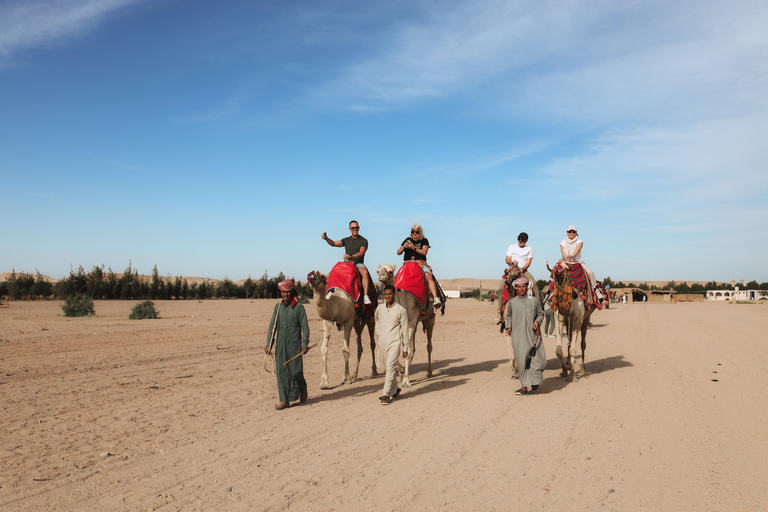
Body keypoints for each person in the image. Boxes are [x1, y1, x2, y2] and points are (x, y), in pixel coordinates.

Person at [264, 279, 310, 410]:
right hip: (280, 345)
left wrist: (305, 344)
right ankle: (284, 400)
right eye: (283, 292)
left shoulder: (299, 308)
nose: (285, 294)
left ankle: (303, 389)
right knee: (282, 372)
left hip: (295, 345)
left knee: (295, 371)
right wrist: (269, 344)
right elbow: (272, 327)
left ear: (292, 292)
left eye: (287, 292)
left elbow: (305, 328)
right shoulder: (277, 308)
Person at [504, 277, 546, 396]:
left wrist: (537, 321)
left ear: (527, 287)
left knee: (538, 360)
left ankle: (535, 381)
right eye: (519, 287)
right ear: (516, 288)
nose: (521, 289)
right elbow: (509, 316)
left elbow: (540, 313)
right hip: (518, 335)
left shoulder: (534, 301)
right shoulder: (512, 302)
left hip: (532, 334)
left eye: (524, 286)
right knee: (522, 360)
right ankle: (524, 386)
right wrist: (509, 326)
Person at [322, 220, 372, 305]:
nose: (355, 229)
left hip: (357, 262)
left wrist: (350, 256)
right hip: (347, 262)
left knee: (364, 272)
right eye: (353, 228)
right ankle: (330, 291)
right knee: (332, 272)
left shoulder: (364, 241)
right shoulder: (347, 240)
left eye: (356, 227)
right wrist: (326, 238)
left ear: (359, 228)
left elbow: (361, 253)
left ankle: (365, 296)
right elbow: (333, 243)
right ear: (350, 229)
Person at [375, 285, 409, 405]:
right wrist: (378, 334)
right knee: (388, 368)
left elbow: (405, 330)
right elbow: (377, 320)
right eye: (386, 294)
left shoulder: (401, 310)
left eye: (390, 294)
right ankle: (395, 390)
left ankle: (385, 394)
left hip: (395, 343)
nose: (388, 296)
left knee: (390, 368)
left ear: (394, 294)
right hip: (382, 343)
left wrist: (405, 347)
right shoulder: (379, 309)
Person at [397, 223, 440, 306]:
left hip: (421, 264)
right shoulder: (407, 240)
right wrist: (403, 247)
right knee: (396, 278)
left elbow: (424, 252)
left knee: (428, 276)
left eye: (416, 232)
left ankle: (435, 298)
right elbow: (398, 252)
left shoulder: (424, 240)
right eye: (413, 232)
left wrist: (414, 248)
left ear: (420, 232)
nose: (415, 234)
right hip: (407, 264)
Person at [559, 225, 601, 307]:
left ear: (576, 233)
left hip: (577, 262)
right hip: (566, 261)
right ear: (567, 233)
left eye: (573, 232)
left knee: (590, 273)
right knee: (556, 273)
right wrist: (565, 258)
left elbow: (577, 250)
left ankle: (596, 293)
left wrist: (571, 256)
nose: (571, 233)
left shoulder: (579, 241)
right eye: (570, 232)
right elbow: (563, 251)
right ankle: (549, 294)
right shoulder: (563, 242)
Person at [505, 232, 536, 298]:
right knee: (501, 288)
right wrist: (512, 262)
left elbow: (528, 262)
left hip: (523, 271)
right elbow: (507, 260)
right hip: (511, 271)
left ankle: (539, 306)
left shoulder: (529, 249)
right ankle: (501, 306)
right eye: (519, 238)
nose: (520, 241)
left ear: (526, 240)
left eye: (522, 239)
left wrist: (522, 269)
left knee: (534, 284)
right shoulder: (511, 247)